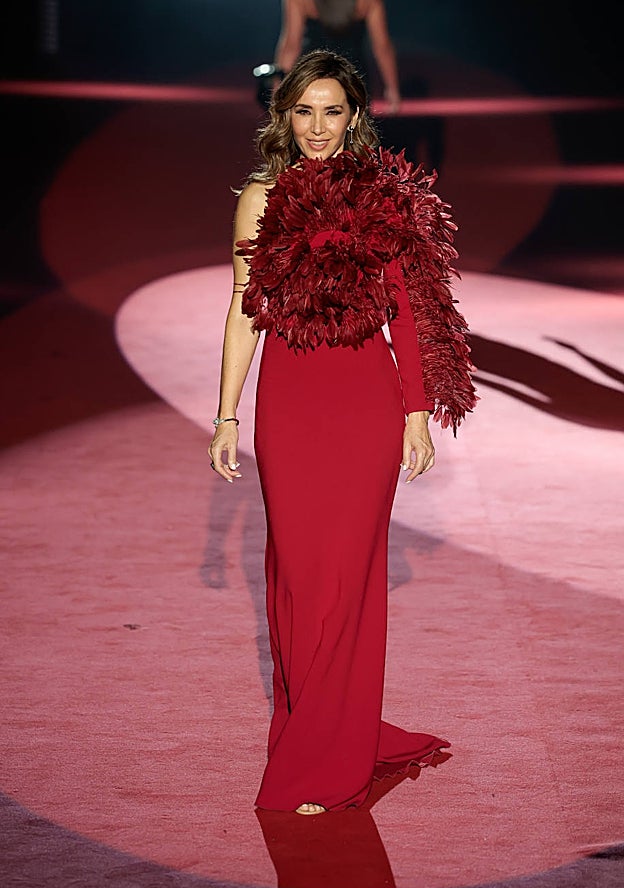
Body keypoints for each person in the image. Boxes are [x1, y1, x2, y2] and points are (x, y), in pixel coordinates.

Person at [209, 49, 477, 815]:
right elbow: (241, 308)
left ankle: (324, 758)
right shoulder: (260, 198)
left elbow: (407, 310)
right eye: (303, 111)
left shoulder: (383, 199)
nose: (318, 127)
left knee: (349, 581)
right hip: (288, 407)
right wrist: (226, 413)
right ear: (282, 118)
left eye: (333, 111)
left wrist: (416, 412)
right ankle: (313, 728)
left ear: (354, 115)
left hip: (365, 405)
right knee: (299, 579)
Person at [274, 0, 402, 112]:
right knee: (355, 134)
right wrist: (392, 90)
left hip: (313, 77)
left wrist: (278, 91)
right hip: (354, 79)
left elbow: (291, 47)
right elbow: (382, 46)